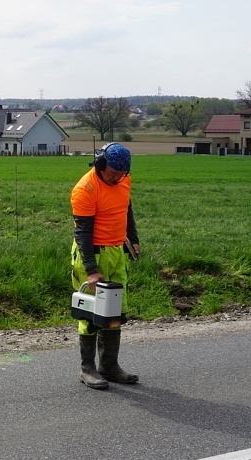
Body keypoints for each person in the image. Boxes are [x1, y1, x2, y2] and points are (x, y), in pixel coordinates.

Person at [70, 142, 141, 390]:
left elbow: (126, 209)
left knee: (114, 313)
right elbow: (83, 234)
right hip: (92, 253)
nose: (116, 178)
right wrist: (91, 269)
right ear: (100, 164)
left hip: (116, 253)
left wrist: (133, 238)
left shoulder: (124, 180)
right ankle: (87, 369)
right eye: (112, 173)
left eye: (121, 174)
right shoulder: (85, 189)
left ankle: (109, 366)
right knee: (92, 314)